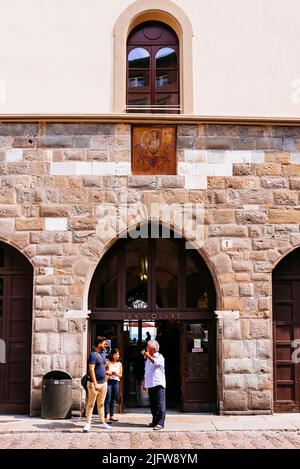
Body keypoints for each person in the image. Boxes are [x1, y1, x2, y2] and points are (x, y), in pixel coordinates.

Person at [83, 336, 111, 432]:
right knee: (91, 403)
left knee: (101, 403)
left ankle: (102, 422)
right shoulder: (93, 355)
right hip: (94, 384)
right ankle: (88, 423)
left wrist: (107, 372)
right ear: (99, 344)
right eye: (104, 343)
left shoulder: (102, 353)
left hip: (103, 383)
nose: (106, 345)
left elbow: (103, 365)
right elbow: (91, 369)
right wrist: (95, 384)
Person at [141, 339, 166, 430]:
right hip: (150, 383)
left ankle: (160, 423)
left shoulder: (159, 356)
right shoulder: (148, 359)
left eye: (148, 346)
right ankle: (155, 421)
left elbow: (155, 363)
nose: (146, 348)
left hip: (158, 383)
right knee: (153, 405)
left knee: (160, 404)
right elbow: (146, 371)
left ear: (153, 348)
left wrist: (148, 356)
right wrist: (144, 382)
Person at [104, 348, 123, 423]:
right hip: (109, 381)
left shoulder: (119, 364)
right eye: (115, 354)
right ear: (112, 354)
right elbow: (104, 371)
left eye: (118, 354)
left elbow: (121, 375)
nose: (117, 356)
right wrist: (110, 373)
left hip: (116, 381)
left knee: (112, 399)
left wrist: (116, 374)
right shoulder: (108, 362)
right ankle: (105, 416)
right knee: (107, 399)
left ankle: (112, 415)